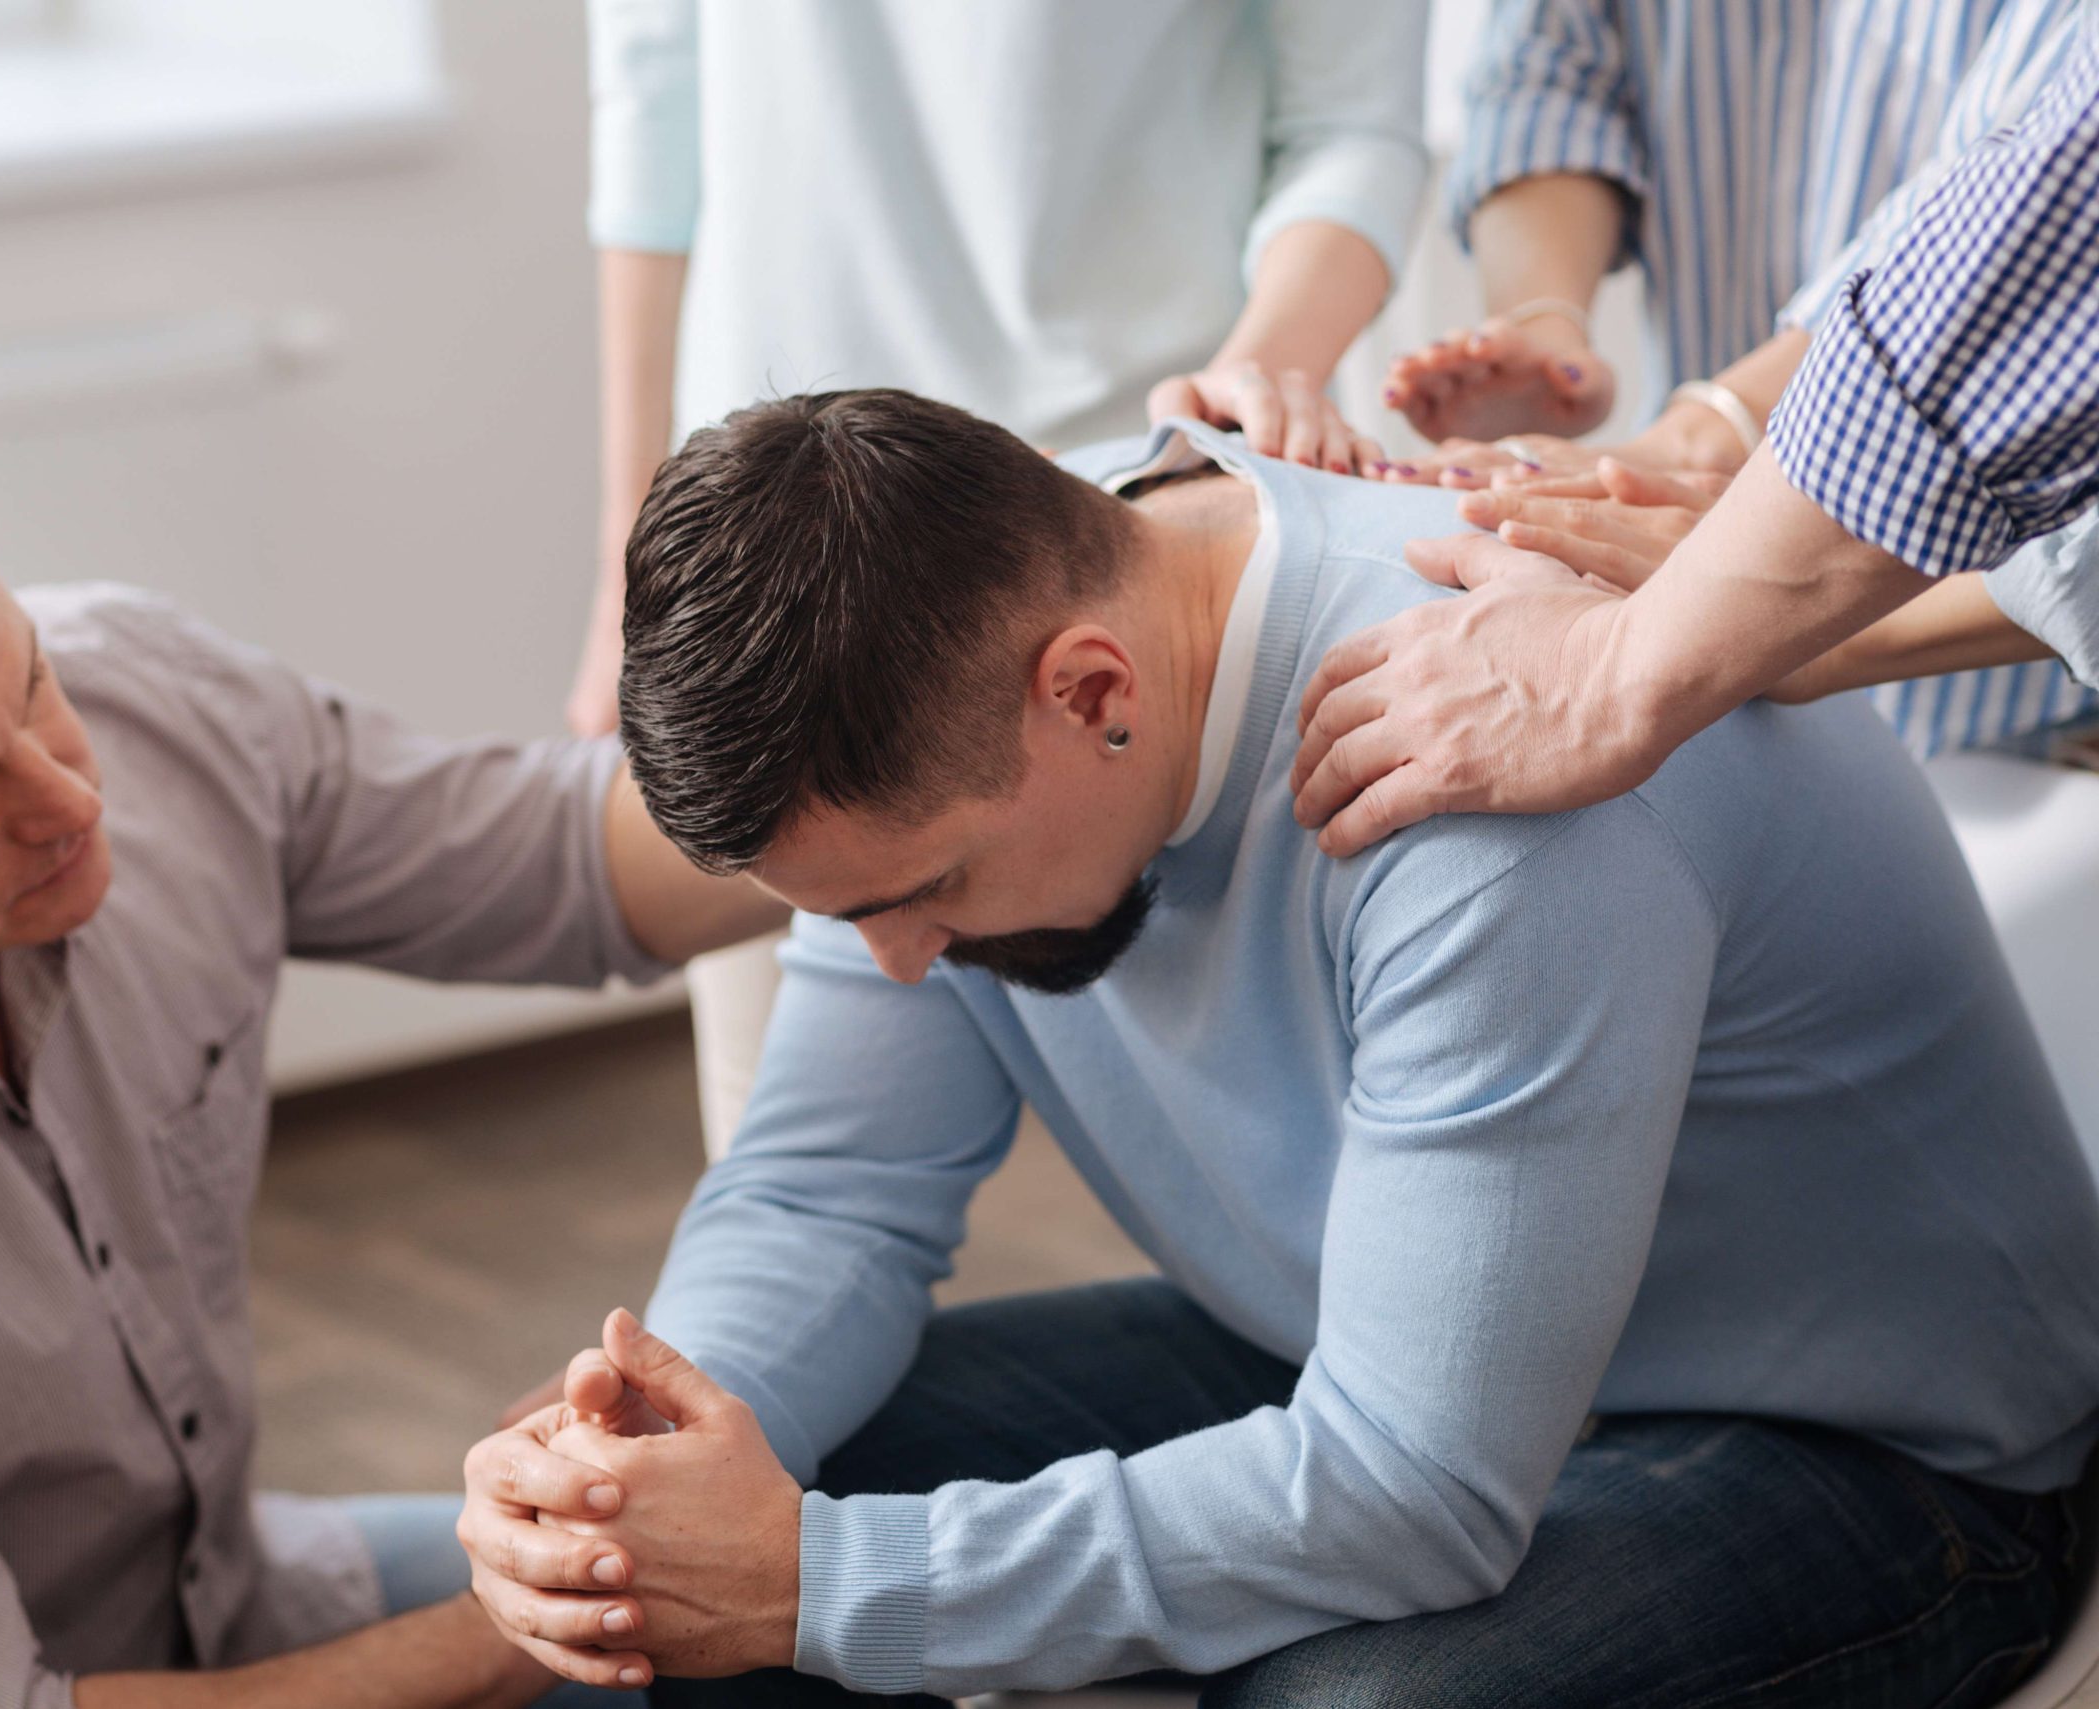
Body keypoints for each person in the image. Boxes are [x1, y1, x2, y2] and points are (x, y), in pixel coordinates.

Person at [454, 390, 2097, 1706]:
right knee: (649, 1573)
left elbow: (1416, 1486)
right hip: (1362, 1348)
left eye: (923, 889)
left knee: (1353, 1693)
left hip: (1877, 1452)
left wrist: (827, 1584)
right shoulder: (970, 624)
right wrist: (651, 1461)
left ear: (1090, 688)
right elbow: (828, 1191)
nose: (890, 958)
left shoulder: (1480, 760)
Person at [0, 424, 781, 1707]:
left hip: (223, 1590)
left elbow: (562, 860)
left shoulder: (138, 685)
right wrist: (551, 1599)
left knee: (778, 1642)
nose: (71, 798)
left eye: (27, 683)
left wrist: (896, 782)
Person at [573, 0, 1431, 1153]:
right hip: (762, 579)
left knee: (1239, 1157)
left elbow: (1352, 119)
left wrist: (1256, 378)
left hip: (1119, 521)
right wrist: (631, 566)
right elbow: (651, 118)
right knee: (809, 1165)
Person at [1291, 15, 2099, 857]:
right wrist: (1550, 319)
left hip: (2011, 705)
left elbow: (2037, 222)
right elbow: (1551, 62)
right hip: (1722, 613)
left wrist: (1631, 659)